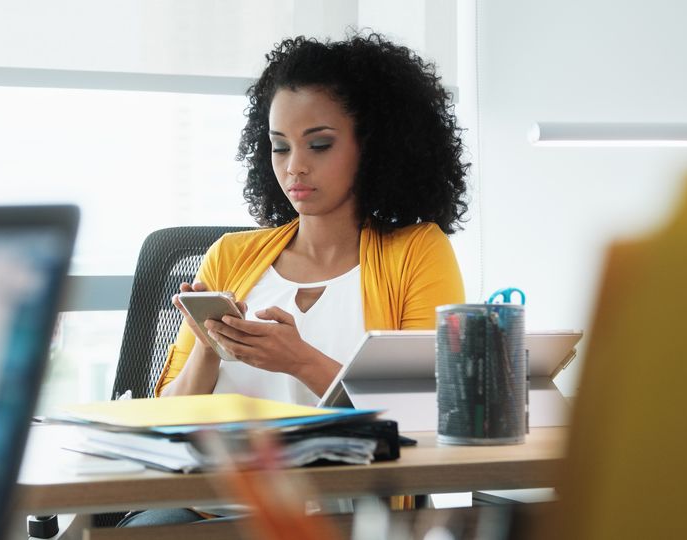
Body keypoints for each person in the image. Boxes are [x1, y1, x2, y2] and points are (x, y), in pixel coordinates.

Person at [119, 32, 468, 528]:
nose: (295, 167)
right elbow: (165, 423)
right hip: (211, 510)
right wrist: (208, 346)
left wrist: (299, 360)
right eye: (279, 148)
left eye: (319, 145)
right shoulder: (230, 256)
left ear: (372, 146)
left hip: (347, 516)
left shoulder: (416, 252)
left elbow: (422, 421)